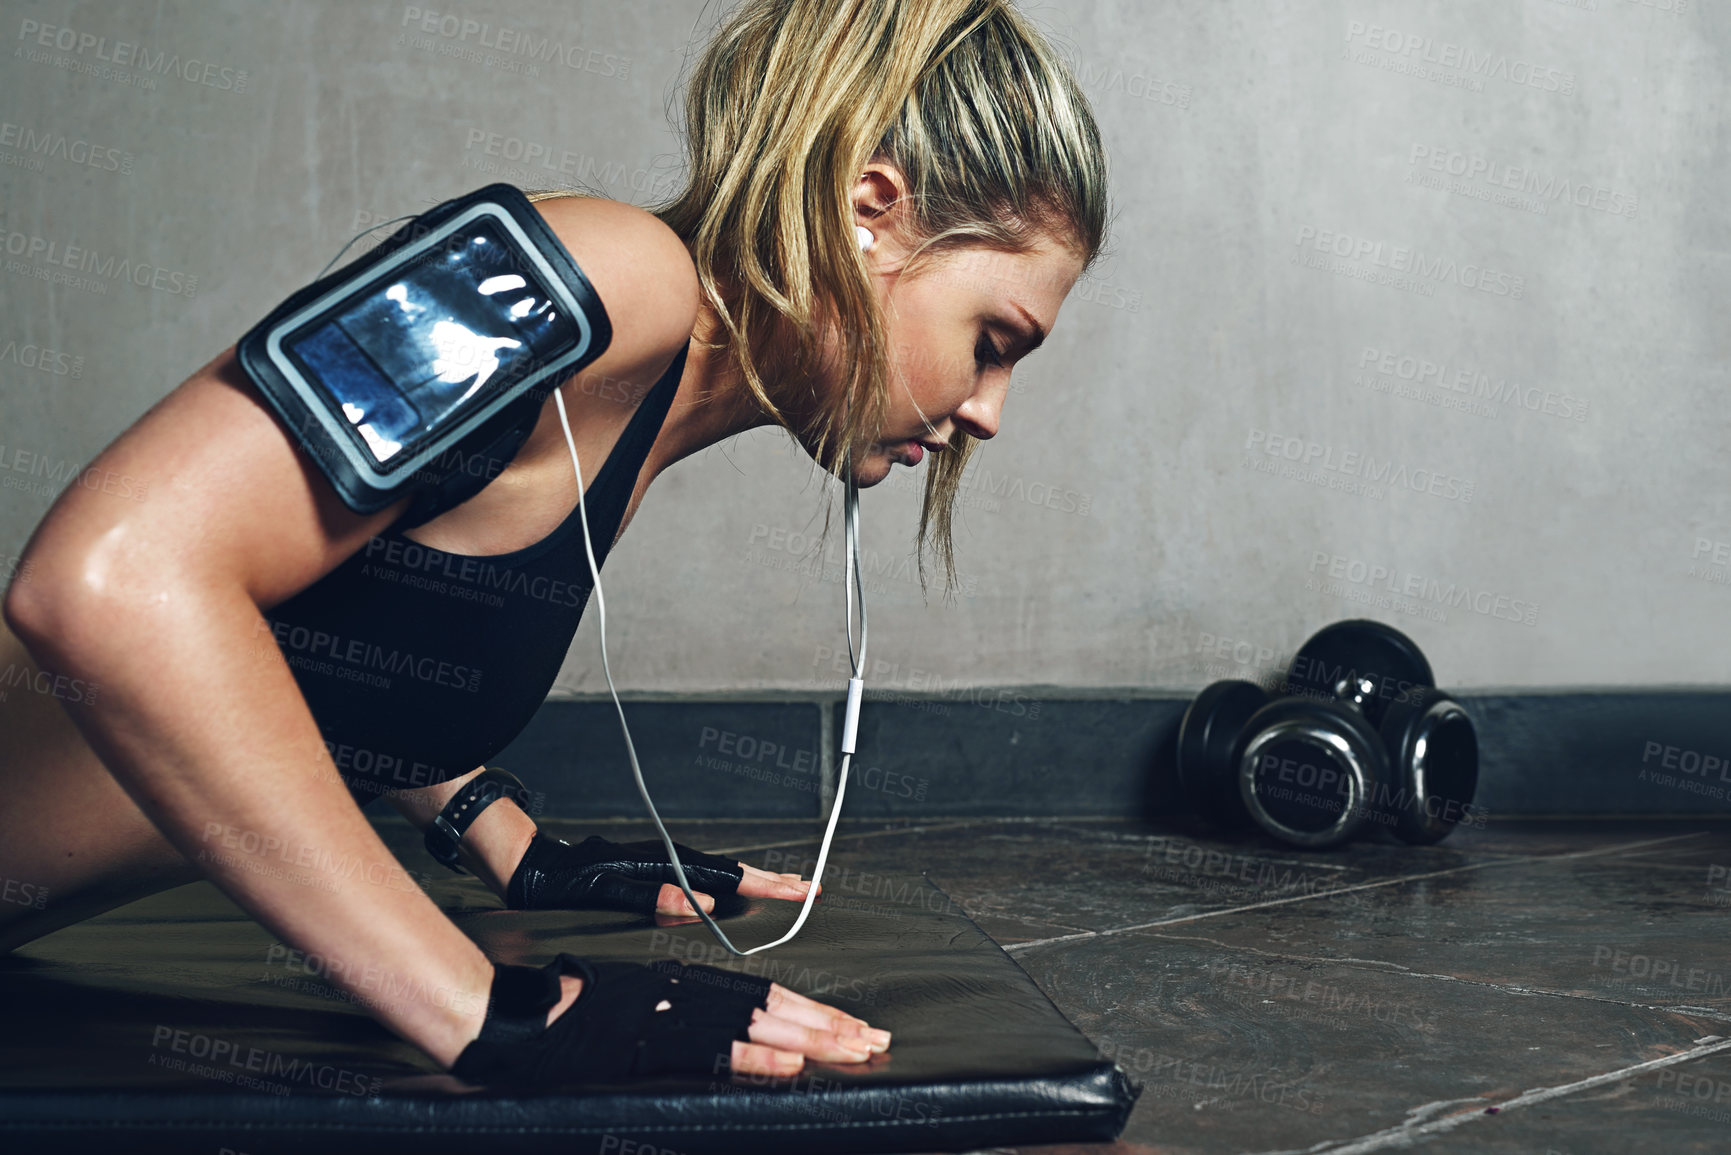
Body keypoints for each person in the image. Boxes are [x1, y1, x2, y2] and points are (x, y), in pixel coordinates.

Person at [0, 0, 1110, 1084]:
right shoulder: (611, 272)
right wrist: (485, 1010)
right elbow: (111, 580)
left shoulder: (647, 391)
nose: (987, 414)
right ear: (871, 210)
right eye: (994, 341)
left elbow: (353, 619)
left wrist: (504, 838)